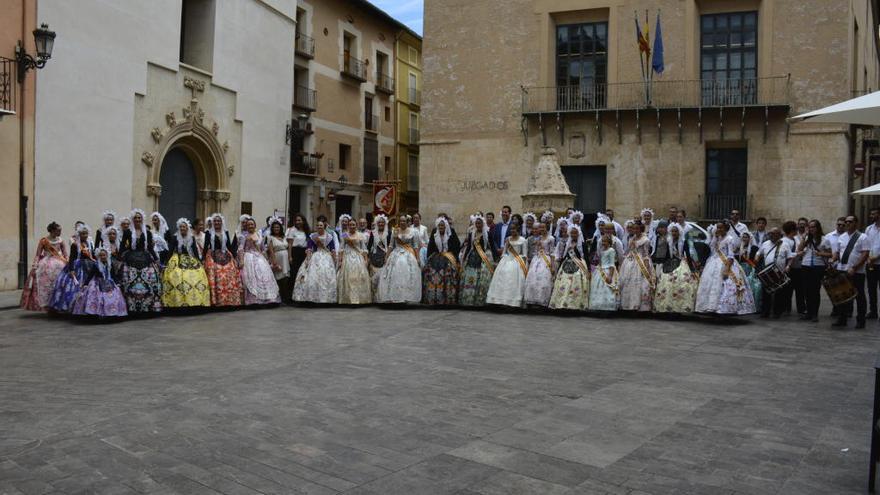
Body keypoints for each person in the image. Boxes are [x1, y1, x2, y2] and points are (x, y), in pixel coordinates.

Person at [695, 222, 756, 315]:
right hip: (714, 262)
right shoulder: (717, 238)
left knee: (725, 285)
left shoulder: (729, 239)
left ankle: (724, 308)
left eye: (721, 228)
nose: (719, 230)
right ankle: (711, 307)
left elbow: (731, 255)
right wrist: (714, 237)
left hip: (726, 263)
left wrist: (727, 269)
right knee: (710, 285)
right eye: (718, 228)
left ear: (726, 229)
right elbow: (712, 250)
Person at [119, 209, 162, 313]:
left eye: (139, 218)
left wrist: (156, 259)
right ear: (132, 220)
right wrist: (119, 258)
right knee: (129, 282)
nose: (137, 219)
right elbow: (122, 246)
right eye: (135, 218)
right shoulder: (127, 232)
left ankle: (146, 306)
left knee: (150, 281)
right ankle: (132, 306)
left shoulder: (147, 232)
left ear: (142, 219)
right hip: (131, 258)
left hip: (145, 257)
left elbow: (150, 248)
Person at [161, 218, 210, 308]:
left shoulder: (191, 238)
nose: (182, 228)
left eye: (184, 227)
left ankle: (195, 301)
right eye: (181, 227)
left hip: (190, 258)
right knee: (177, 276)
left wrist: (199, 260)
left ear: (187, 228)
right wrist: (166, 262)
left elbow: (194, 250)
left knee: (196, 275)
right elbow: (170, 250)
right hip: (178, 258)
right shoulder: (175, 237)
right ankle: (178, 301)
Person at [831, 215, 869, 328]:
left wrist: (855, 267)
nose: (847, 224)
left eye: (850, 222)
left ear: (856, 223)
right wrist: (832, 260)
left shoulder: (863, 237)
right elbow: (837, 253)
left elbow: (865, 254)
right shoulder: (842, 237)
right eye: (846, 222)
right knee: (843, 296)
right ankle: (842, 319)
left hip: (856, 272)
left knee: (859, 296)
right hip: (842, 270)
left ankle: (861, 320)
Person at [20, 222, 68, 311]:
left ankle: (59, 304)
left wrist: (68, 262)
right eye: (58, 231)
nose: (60, 232)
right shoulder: (44, 241)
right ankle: (48, 305)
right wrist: (35, 265)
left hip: (60, 262)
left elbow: (65, 254)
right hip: (46, 263)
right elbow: (38, 254)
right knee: (44, 283)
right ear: (52, 231)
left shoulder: (61, 240)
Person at [50, 224, 96, 313]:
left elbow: (92, 255)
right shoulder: (75, 245)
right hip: (78, 266)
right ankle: (73, 306)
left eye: (86, 234)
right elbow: (72, 258)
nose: (85, 236)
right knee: (74, 287)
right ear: (79, 235)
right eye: (83, 234)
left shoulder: (89, 243)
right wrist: (71, 270)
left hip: (89, 266)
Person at [377, 214, 422, 303]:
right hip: (396, 253)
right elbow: (391, 245)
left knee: (407, 273)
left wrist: (418, 258)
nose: (402, 222)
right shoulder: (395, 231)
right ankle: (394, 295)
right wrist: (386, 256)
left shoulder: (413, 231)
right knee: (394, 272)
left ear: (407, 222)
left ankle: (406, 296)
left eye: (404, 221)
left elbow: (416, 246)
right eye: (401, 221)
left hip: (408, 254)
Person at [653, 223, 698, 314]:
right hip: (669, 263)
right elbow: (666, 255)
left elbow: (688, 255)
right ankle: (667, 307)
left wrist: (692, 269)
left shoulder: (683, 241)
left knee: (681, 281)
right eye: (672, 231)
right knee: (666, 283)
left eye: (676, 231)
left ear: (679, 232)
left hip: (681, 263)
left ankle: (679, 308)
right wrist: (663, 264)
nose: (674, 233)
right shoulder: (668, 241)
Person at [71, 247, 128, 318]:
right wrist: (86, 284)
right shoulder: (96, 265)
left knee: (115, 293)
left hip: (109, 281)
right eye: (101, 255)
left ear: (107, 255)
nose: (103, 257)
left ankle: (112, 312)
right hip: (98, 283)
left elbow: (113, 275)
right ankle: (97, 312)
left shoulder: (110, 265)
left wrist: (117, 283)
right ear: (98, 256)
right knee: (97, 295)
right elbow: (90, 275)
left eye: (104, 255)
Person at [238, 216, 280, 306]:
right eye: (248, 224)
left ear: (255, 225)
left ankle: (268, 298)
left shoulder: (259, 235)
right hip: (248, 257)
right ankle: (253, 300)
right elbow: (241, 249)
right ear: (246, 226)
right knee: (251, 278)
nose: (250, 226)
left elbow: (262, 249)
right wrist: (241, 260)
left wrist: (267, 259)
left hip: (260, 258)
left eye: (252, 224)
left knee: (264, 277)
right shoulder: (243, 236)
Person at [486, 216, 528, 307]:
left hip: (517, 262)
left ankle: (513, 302)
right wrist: (505, 258)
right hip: (507, 260)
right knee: (502, 278)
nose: (512, 231)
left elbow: (524, 255)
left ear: (518, 230)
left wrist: (523, 266)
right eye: (511, 229)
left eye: (514, 229)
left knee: (513, 282)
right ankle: (501, 301)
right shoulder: (508, 239)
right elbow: (504, 252)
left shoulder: (523, 240)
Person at [293, 220, 338, 304]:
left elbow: (332, 249)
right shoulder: (313, 236)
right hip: (316, 255)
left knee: (326, 275)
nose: (319, 227)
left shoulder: (329, 237)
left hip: (326, 256)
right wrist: (308, 259)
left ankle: (326, 298)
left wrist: (334, 259)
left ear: (324, 226)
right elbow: (309, 248)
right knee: (312, 275)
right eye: (318, 225)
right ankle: (312, 297)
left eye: (321, 225)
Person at [203, 213, 243, 307]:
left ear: (222, 222)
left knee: (230, 272)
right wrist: (203, 259)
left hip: (225, 254)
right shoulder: (208, 233)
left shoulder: (225, 232)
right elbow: (205, 247)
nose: (217, 222)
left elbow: (229, 245)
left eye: (219, 221)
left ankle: (229, 301)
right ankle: (217, 301)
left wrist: (235, 256)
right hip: (213, 255)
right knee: (216, 274)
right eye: (215, 221)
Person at [795, 220, 830, 323]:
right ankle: (809, 313)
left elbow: (830, 254)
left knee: (815, 291)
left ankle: (815, 314)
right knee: (806, 290)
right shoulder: (807, 239)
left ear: (818, 228)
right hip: (806, 265)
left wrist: (821, 254)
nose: (811, 229)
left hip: (818, 267)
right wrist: (805, 237)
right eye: (809, 227)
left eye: (813, 227)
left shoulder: (824, 240)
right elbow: (799, 249)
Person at [549, 225, 590, 311]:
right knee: (564, 284)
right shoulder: (567, 243)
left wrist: (588, 270)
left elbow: (586, 257)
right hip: (566, 266)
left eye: (575, 233)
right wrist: (560, 267)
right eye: (572, 233)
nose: (574, 235)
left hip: (579, 267)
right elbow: (564, 256)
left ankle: (574, 305)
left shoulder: (582, 244)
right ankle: (563, 304)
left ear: (579, 234)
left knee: (575, 285)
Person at [423, 216, 461, 305]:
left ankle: (447, 299)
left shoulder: (451, 233)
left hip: (448, 258)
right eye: (439, 226)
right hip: (436, 257)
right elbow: (430, 246)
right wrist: (429, 258)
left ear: (445, 226)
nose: (441, 227)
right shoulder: (434, 233)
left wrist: (453, 256)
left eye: (442, 226)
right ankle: (433, 298)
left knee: (448, 276)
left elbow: (457, 245)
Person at [459, 214, 495, 307]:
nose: (478, 225)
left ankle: (479, 301)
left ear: (483, 224)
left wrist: (495, 259)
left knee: (481, 279)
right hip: (472, 258)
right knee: (471, 277)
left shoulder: (487, 233)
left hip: (483, 259)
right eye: (477, 223)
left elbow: (492, 247)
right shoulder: (472, 234)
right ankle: (469, 300)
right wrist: (464, 258)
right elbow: (468, 248)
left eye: (480, 223)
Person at [619, 220, 654, 312]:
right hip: (630, 262)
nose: (635, 230)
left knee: (640, 284)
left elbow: (646, 255)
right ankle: (628, 305)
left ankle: (639, 306)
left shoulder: (645, 240)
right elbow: (629, 251)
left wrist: (646, 268)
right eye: (634, 228)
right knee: (627, 283)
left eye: (637, 228)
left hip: (640, 262)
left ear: (641, 229)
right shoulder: (631, 239)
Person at [755, 228, 788, 318]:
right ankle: (765, 312)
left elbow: (789, 257)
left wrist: (788, 266)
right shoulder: (765, 244)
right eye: (770, 233)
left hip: (779, 272)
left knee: (779, 293)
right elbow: (759, 252)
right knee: (766, 293)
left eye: (774, 234)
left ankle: (777, 312)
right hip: (767, 272)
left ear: (779, 235)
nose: (771, 235)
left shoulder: (785, 244)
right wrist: (757, 257)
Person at [337, 220, 371, 304]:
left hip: (358, 257)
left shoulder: (360, 235)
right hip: (347, 257)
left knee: (358, 277)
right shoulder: (344, 235)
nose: (352, 226)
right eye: (350, 225)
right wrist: (340, 260)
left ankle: (358, 299)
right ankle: (347, 299)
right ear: (348, 225)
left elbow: (364, 249)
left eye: (354, 225)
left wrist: (366, 259)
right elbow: (341, 248)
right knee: (348, 278)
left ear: (356, 226)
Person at [523, 222, 555, 307]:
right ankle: (532, 300)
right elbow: (536, 250)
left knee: (544, 281)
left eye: (543, 227)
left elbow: (552, 253)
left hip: (546, 259)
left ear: (547, 228)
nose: (541, 229)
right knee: (533, 279)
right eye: (540, 228)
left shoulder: (551, 238)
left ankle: (542, 301)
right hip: (537, 259)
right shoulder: (539, 238)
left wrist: (552, 266)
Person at [261, 218, 290, 304]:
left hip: (285, 260)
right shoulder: (270, 237)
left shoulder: (284, 237)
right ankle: (278, 298)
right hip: (277, 259)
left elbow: (287, 248)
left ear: (280, 228)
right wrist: (275, 263)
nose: (276, 229)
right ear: (272, 229)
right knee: (278, 279)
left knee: (285, 279)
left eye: (278, 227)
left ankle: (285, 298)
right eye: (274, 228)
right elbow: (271, 251)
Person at [590, 234, 620, 311]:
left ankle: (607, 307)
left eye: (605, 241)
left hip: (608, 271)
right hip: (600, 270)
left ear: (609, 242)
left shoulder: (611, 250)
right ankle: (598, 306)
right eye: (603, 241)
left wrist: (610, 276)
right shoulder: (601, 250)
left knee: (607, 289)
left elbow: (612, 264)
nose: (603, 243)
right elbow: (600, 262)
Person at [737, 232, 762, 313]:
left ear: (750, 238)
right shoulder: (740, 247)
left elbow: (756, 260)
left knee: (751, 287)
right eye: (743, 237)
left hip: (751, 269)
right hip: (742, 269)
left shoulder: (754, 248)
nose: (744, 239)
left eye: (746, 237)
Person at [286, 214, 310, 281]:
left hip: (303, 252)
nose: (297, 222)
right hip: (295, 252)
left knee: (302, 271)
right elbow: (290, 244)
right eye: (296, 220)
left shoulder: (306, 230)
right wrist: (290, 256)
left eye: (299, 220)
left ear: (303, 221)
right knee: (294, 271)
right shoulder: (292, 230)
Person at [866, 207, 880, 319]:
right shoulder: (869, 229)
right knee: (871, 289)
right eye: (871, 214)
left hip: (878, 262)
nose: (871, 216)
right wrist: (869, 258)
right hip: (870, 264)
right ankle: (873, 311)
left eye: (873, 213)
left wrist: (876, 257)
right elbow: (867, 245)